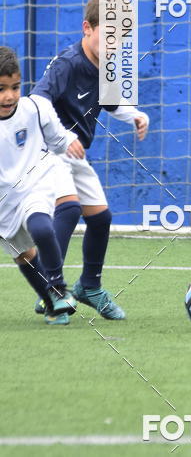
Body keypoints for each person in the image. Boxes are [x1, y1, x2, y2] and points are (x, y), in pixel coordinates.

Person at [32, 0, 149, 320]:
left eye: (120, 37)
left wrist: (135, 115)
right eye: (108, 33)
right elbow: (38, 101)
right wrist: (64, 135)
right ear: (87, 28)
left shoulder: (106, 67)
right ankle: (52, 291)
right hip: (48, 151)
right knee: (68, 210)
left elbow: (111, 104)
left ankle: (89, 286)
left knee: (100, 218)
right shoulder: (68, 63)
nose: (114, 43)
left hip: (75, 155)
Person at [0, 45, 84, 325]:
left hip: (34, 185)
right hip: (3, 202)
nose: (9, 96)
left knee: (41, 226)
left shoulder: (36, 108)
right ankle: (52, 304)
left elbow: (58, 137)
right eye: (1, 88)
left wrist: (69, 142)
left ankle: (58, 287)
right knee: (24, 255)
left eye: (15, 87)